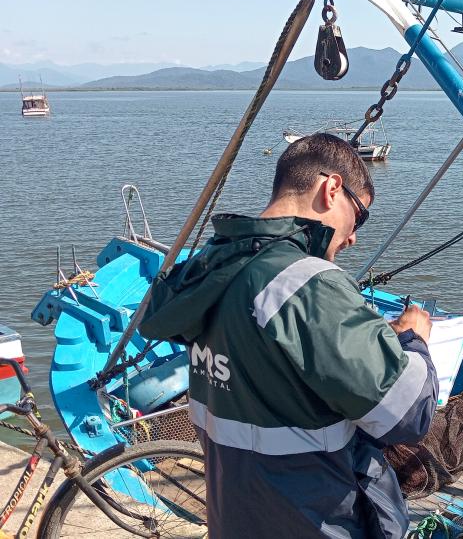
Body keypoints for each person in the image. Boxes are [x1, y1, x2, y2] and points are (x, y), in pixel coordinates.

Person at [140, 133, 438, 538]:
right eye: (359, 217)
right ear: (331, 189)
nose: (353, 237)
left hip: (234, 518)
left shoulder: (211, 269)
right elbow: (408, 416)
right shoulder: (307, 285)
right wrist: (412, 339)